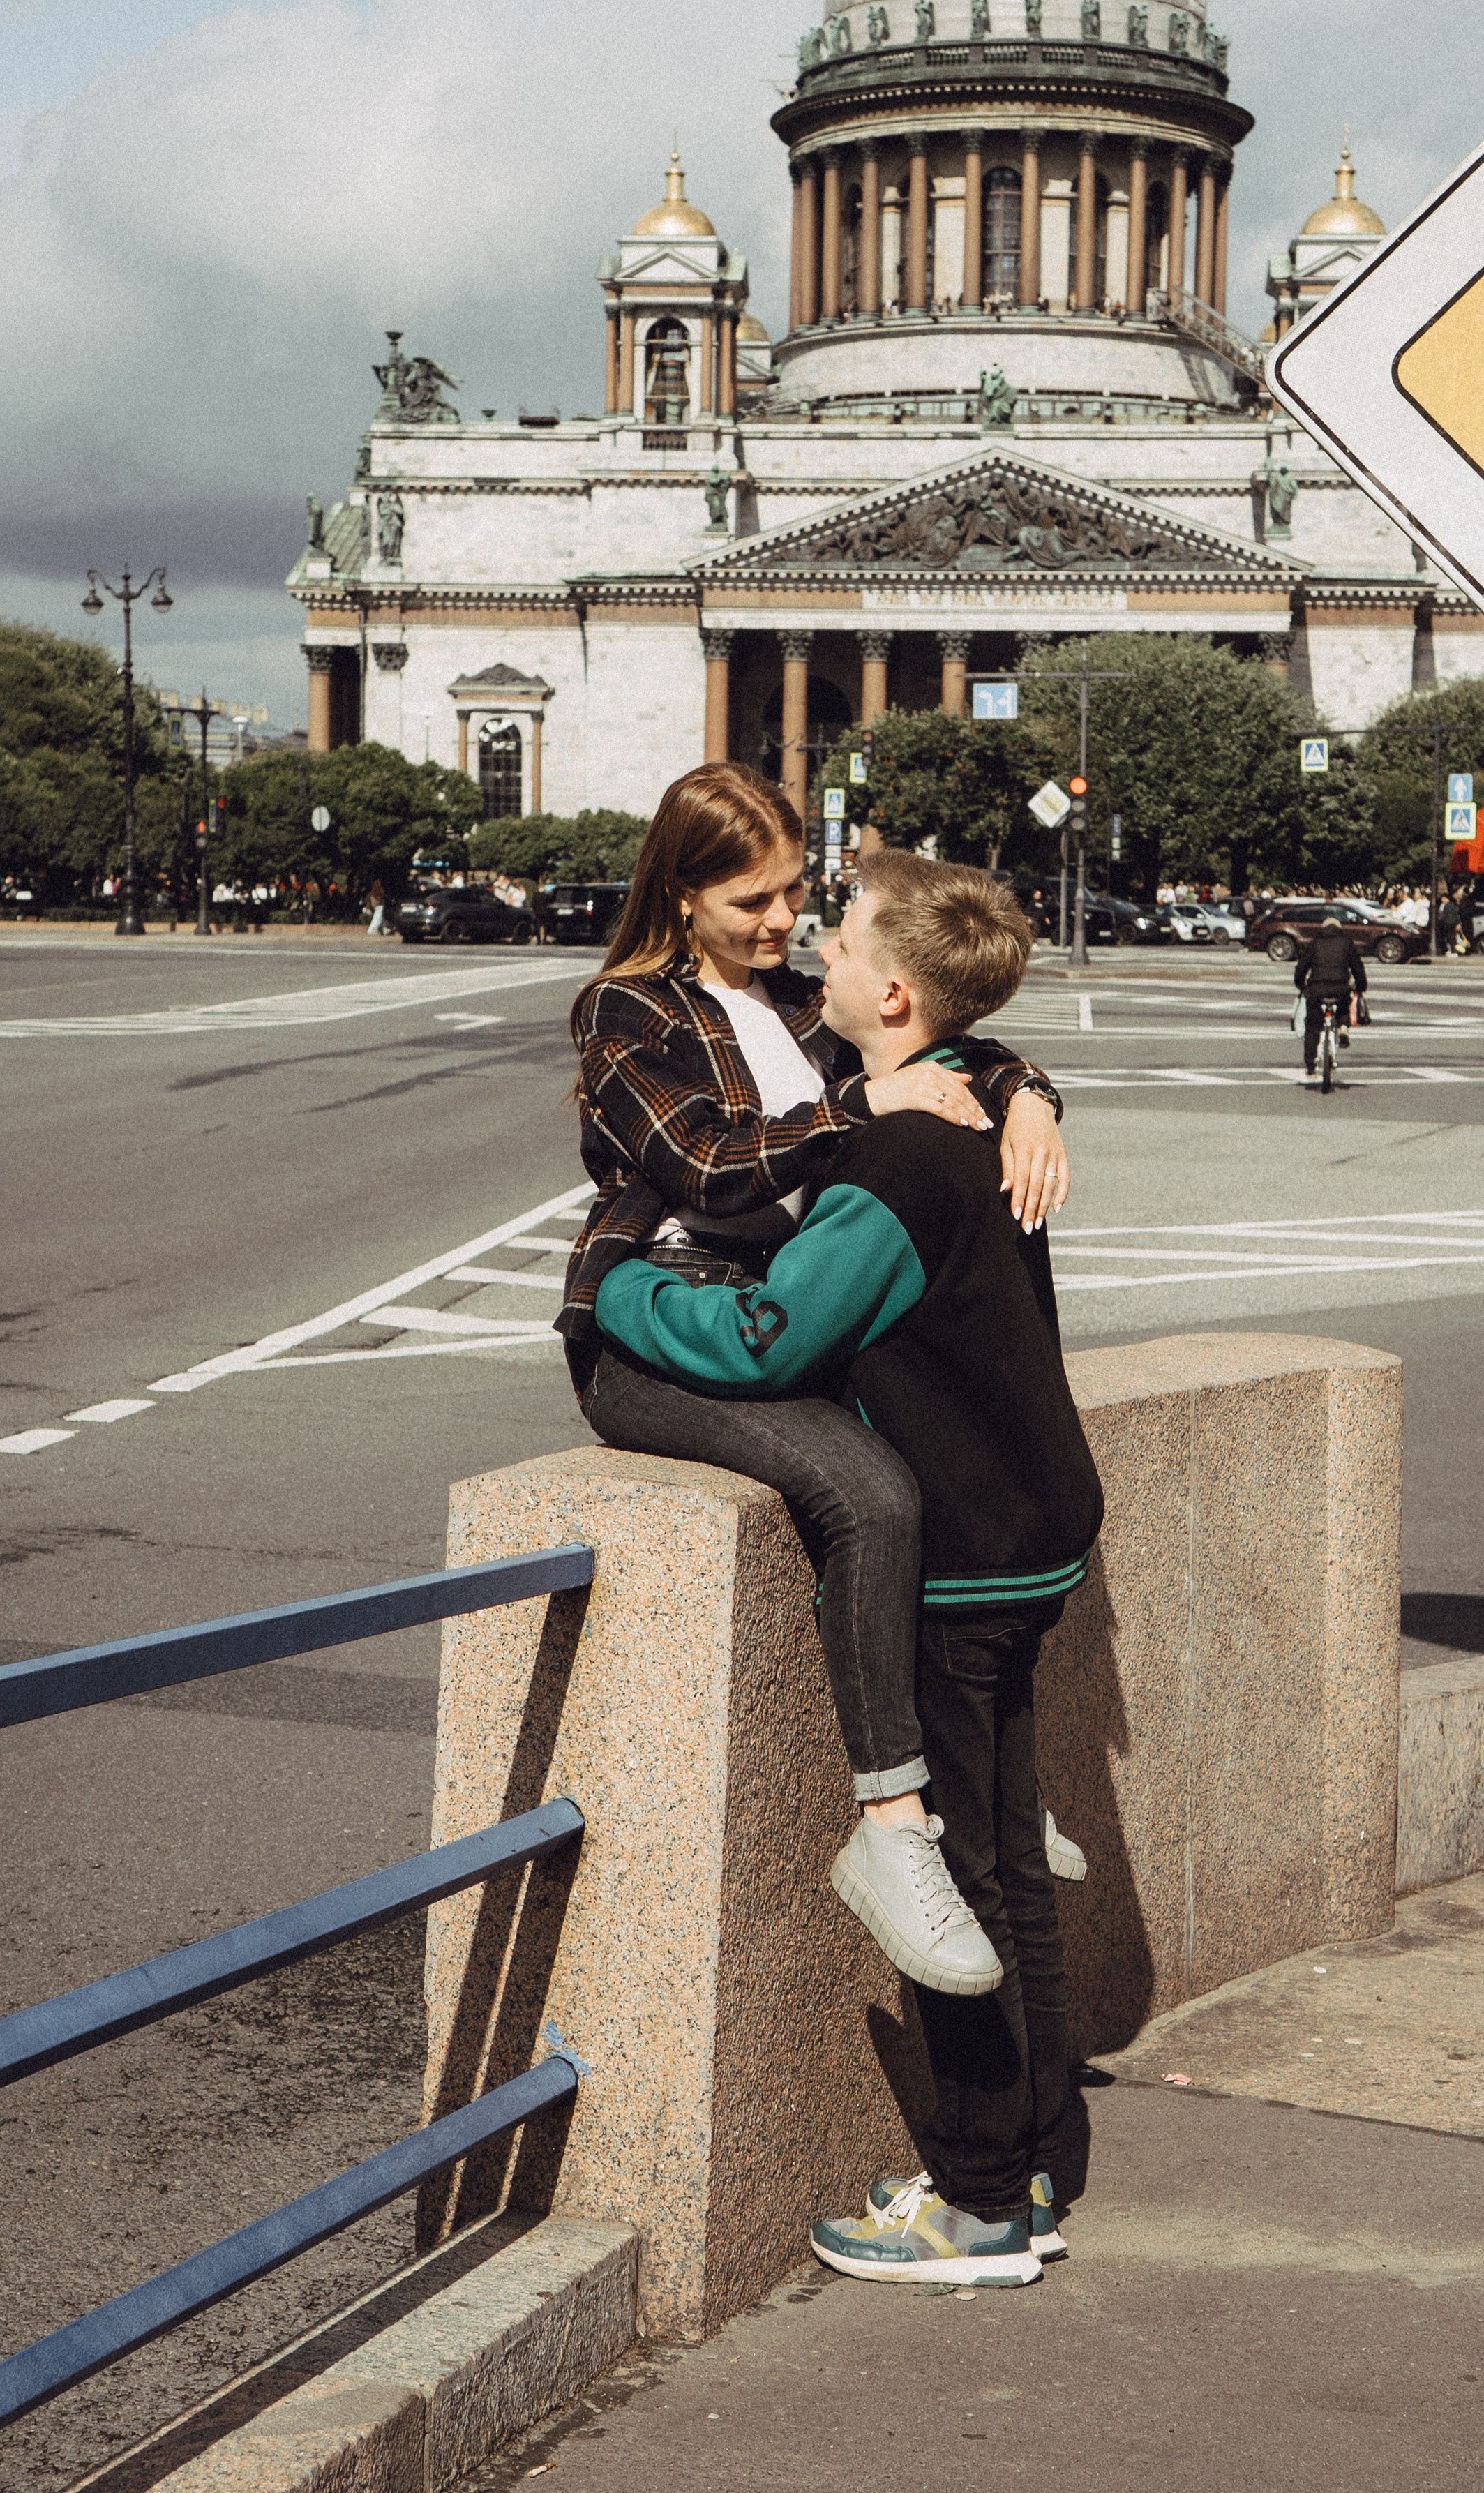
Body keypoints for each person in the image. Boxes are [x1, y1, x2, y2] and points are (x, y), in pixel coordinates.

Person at [595, 851, 1100, 2288]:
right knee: (1005, 1868)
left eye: (842, 931)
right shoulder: (976, 1118)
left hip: (953, 1562)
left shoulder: (896, 1157)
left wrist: (631, 1292)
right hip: (1036, 1529)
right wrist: (1030, 1085)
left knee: (943, 1887)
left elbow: (769, 1343)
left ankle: (978, 2201)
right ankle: (1043, 2160)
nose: (813, 945)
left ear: (891, 993)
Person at [563, 765, 1070, 1988]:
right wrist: (864, 1112)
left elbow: (947, 1029)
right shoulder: (624, 1013)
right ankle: (895, 1824)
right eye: (752, 900)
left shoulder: (797, 1005)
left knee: (942, 1472)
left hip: (780, 1324)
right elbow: (710, 1164)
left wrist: (1032, 1097)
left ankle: (970, 1802)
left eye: (796, 891)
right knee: (873, 1496)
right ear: (680, 896)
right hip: (657, 1326)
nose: (783, 921)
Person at [1294, 909, 1366, 1076]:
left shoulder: (1314, 943)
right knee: (1343, 1006)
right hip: (1340, 987)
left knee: (1312, 1026)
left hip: (1317, 989)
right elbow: (1358, 968)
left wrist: (1302, 986)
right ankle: (1343, 1027)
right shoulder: (1347, 943)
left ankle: (1311, 1066)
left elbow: (1301, 969)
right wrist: (1360, 987)